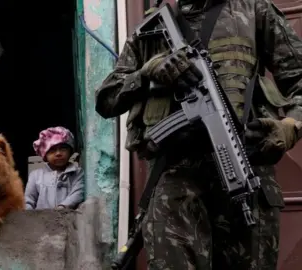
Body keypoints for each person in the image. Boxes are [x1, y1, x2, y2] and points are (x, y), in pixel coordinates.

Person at [95, 0, 302, 269]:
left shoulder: (254, 10)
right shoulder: (153, 26)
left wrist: (291, 126)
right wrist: (148, 73)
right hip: (175, 183)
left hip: (247, 173)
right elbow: (107, 99)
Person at [25, 127, 84, 210]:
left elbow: (78, 193)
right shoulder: (35, 175)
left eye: (63, 148)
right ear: (45, 155)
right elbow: (28, 199)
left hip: (68, 218)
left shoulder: (77, 172)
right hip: (40, 220)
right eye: (52, 150)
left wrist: (63, 206)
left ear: (70, 151)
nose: (58, 153)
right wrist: (28, 215)